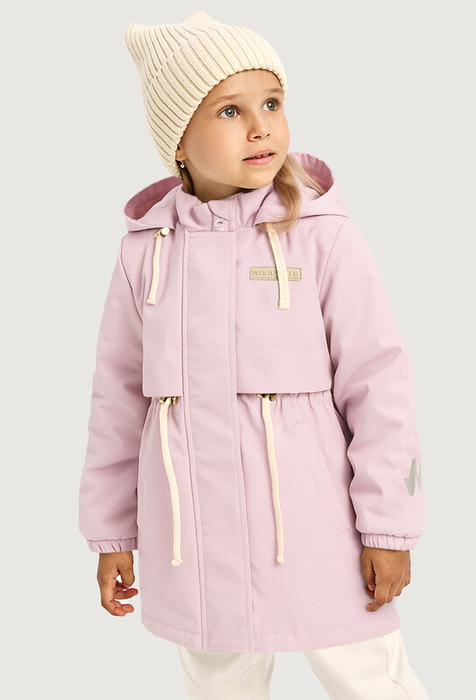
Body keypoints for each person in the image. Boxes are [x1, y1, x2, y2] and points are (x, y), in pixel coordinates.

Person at [78, 10, 430, 700]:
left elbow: (378, 382)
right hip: (192, 538)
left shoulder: (322, 236)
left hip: (316, 528)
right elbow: (115, 402)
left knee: (366, 675)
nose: (261, 126)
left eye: (271, 103)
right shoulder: (144, 255)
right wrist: (111, 532)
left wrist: (389, 525)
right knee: (219, 681)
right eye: (229, 111)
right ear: (178, 142)